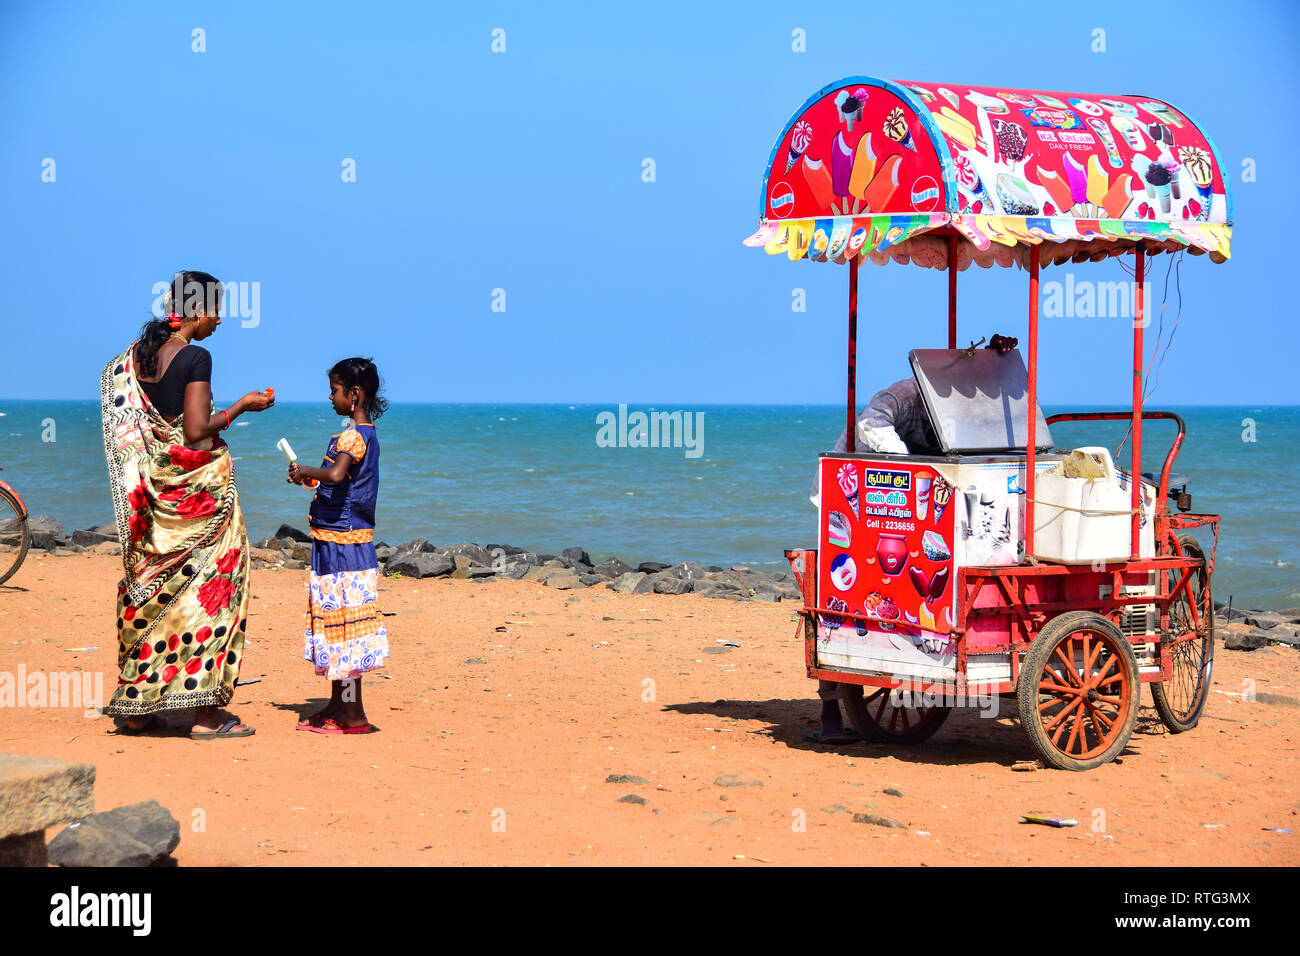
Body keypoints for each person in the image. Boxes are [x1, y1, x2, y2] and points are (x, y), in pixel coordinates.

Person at [804, 333, 1019, 745]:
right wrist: (912, 468)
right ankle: (830, 710)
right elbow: (870, 424)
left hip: (901, 512)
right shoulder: (903, 395)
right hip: (851, 495)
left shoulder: (959, 409)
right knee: (837, 595)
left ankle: (917, 655)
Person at [100, 270, 274, 738]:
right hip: (199, 499)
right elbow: (196, 432)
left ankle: (136, 708)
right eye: (216, 311)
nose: (219, 321)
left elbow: (153, 426)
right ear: (196, 311)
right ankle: (205, 716)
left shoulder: (136, 358)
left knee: (151, 588)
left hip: (155, 494)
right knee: (211, 593)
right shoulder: (196, 355)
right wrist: (240, 408)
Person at [288, 358, 390, 734]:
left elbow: (334, 473)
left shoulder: (352, 436)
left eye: (334, 390)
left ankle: (352, 715)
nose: (330, 396)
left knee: (343, 628)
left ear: (354, 394)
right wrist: (312, 482)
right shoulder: (365, 434)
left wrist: (307, 472)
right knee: (340, 627)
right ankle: (338, 704)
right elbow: (339, 483)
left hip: (343, 546)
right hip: (345, 542)